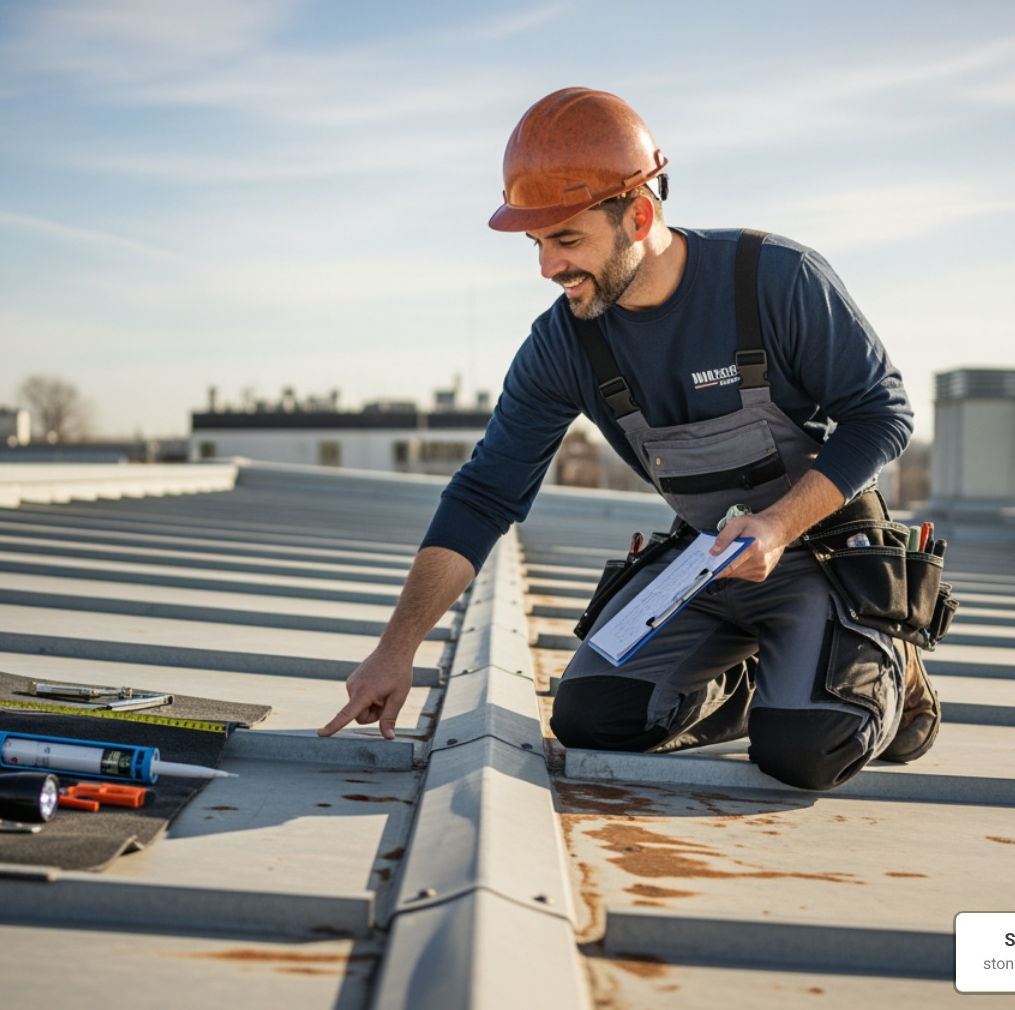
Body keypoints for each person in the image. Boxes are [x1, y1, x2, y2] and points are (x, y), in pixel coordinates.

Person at [320, 87, 939, 790]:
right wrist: (396, 649)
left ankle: (890, 668)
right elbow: (486, 494)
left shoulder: (774, 279)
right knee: (592, 716)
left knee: (805, 750)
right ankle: (755, 685)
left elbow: (882, 413)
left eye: (567, 240)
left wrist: (776, 526)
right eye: (537, 244)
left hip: (820, 555)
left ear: (638, 216)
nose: (547, 268)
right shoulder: (563, 344)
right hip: (709, 564)